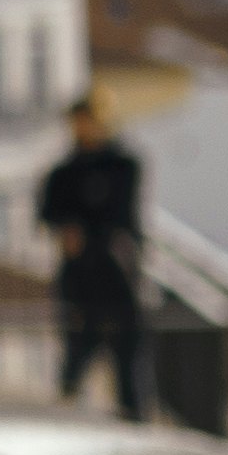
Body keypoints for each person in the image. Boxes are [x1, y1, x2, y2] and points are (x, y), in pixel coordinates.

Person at [39, 93, 147, 420]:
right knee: (77, 345)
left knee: (125, 347)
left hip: (115, 270)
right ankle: (69, 409)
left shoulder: (122, 165)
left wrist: (89, 231)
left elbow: (121, 215)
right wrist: (68, 231)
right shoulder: (64, 171)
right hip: (79, 274)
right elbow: (49, 211)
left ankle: (134, 414)